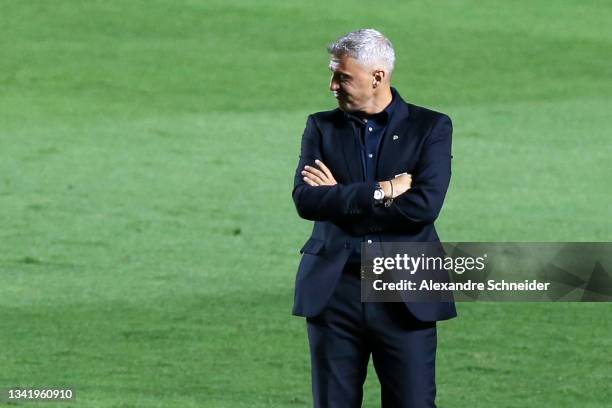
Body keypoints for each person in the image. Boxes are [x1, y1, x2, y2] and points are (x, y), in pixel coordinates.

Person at [291, 29, 456, 407]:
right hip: (335, 293)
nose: (332, 85)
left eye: (342, 76)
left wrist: (340, 199)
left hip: (405, 296)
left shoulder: (430, 127)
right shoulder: (321, 126)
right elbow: (306, 200)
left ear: (378, 76)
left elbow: (424, 207)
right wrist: (381, 190)